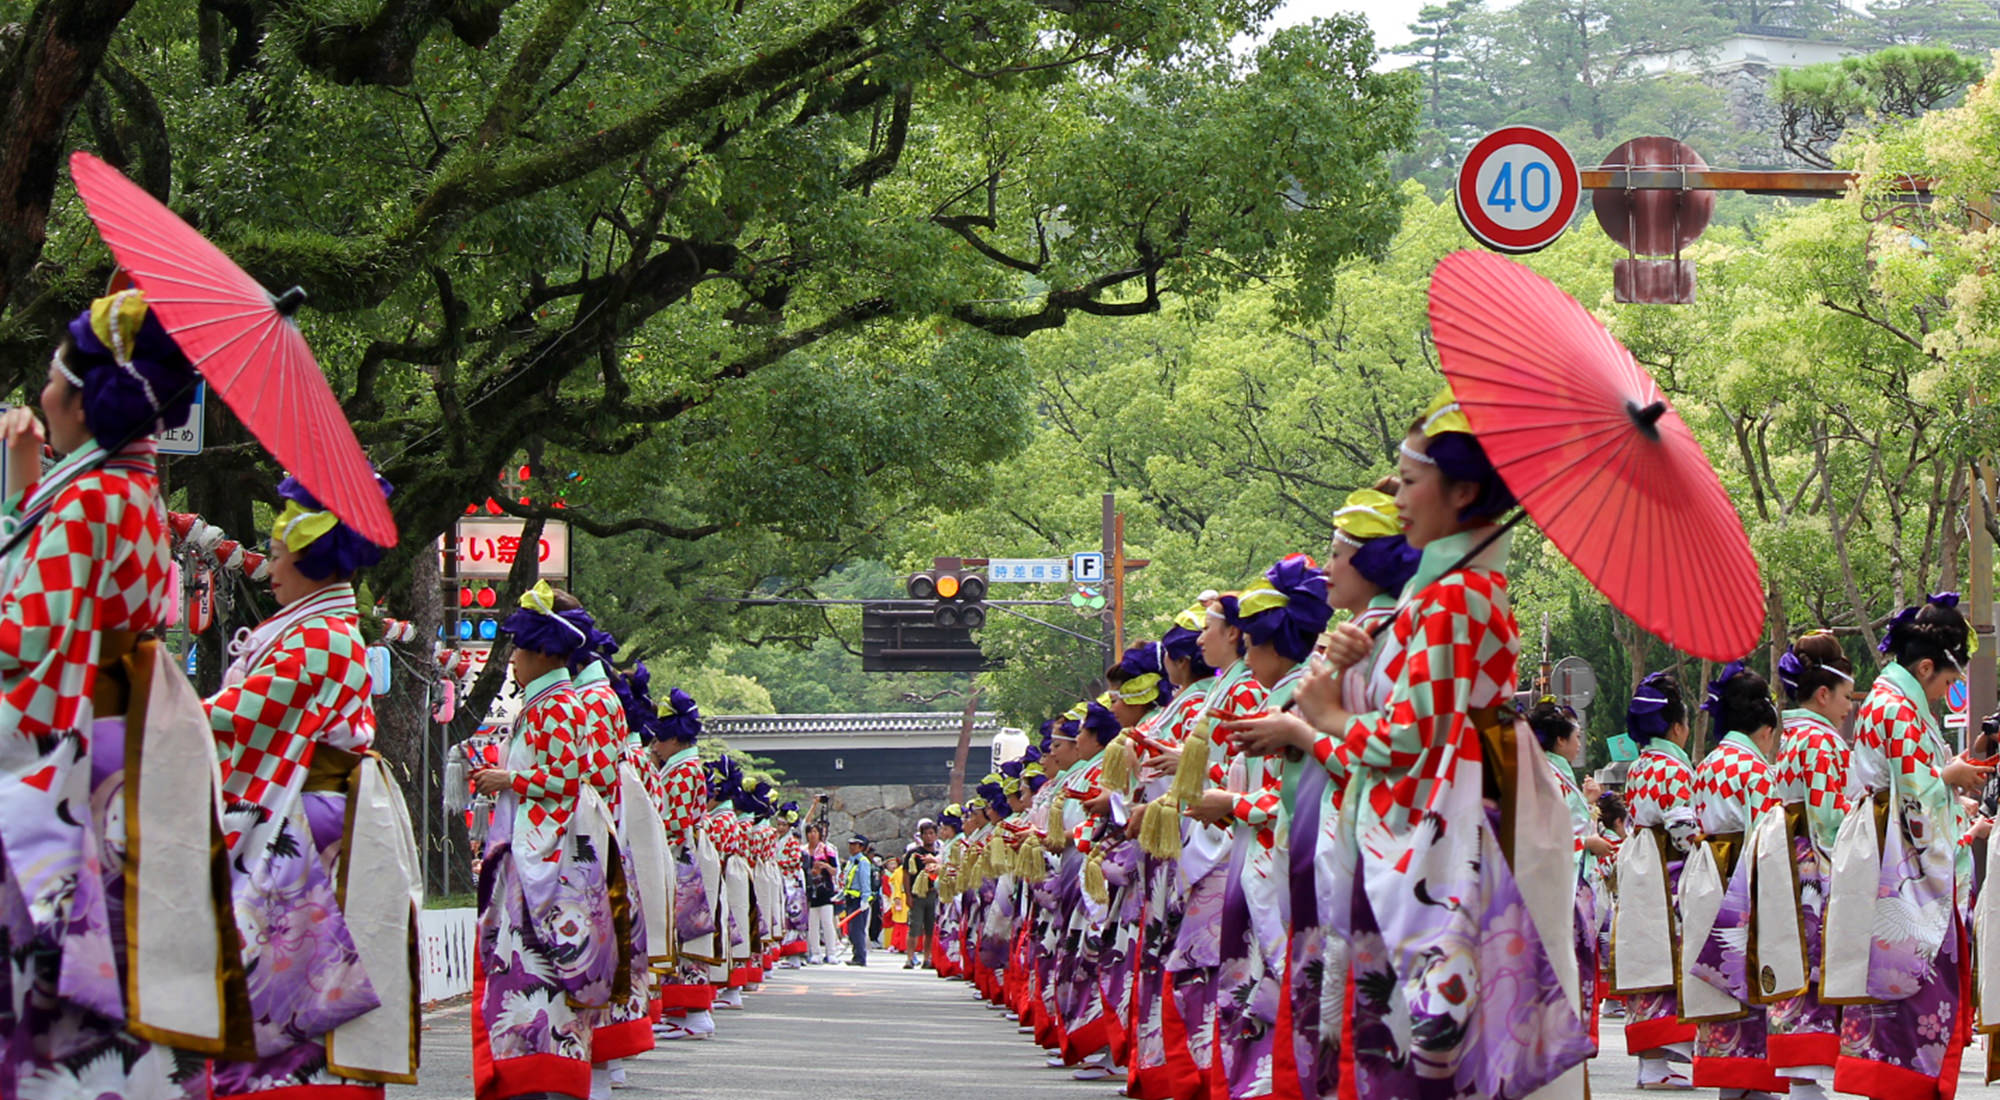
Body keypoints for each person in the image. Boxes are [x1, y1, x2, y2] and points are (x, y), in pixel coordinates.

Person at [1232, 390, 1590, 1099]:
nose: (1396, 494)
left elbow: (1407, 739)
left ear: (1461, 491)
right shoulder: (1450, 592)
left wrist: (1325, 717)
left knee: (1429, 1034)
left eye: (1410, 478)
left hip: (1448, 828)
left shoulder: (1454, 597)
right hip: (1452, 812)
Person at [0, 289, 219, 1099]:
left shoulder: (91, 499)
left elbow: (20, 639)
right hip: (116, 753)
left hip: (63, 751)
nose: (43, 395)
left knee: (49, 987)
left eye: (56, 379)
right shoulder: (129, 491)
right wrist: (28, 474)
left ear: (85, 403)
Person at [206, 471, 421, 1099]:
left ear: (307, 556)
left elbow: (240, 720)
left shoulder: (318, 636)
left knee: (282, 994)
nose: (267, 567)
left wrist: (148, 710)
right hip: (307, 817)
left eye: (275, 554)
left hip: (298, 831)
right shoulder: (317, 629)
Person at [1828, 594, 1992, 1099]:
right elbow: (1917, 800)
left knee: (1897, 993)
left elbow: (1914, 784)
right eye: (1947, 681)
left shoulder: (1889, 701)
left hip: (1883, 854)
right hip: (1902, 869)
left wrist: (1952, 771)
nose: (1949, 691)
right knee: (1914, 990)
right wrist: (1952, 780)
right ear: (1925, 667)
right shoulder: (1898, 709)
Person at [469, 583, 623, 1100]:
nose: (511, 660)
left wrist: (508, 780)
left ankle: (545, 1074)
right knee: (532, 971)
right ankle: (535, 1073)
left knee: (543, 968)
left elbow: (568, 776)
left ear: (540, 652)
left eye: (516, 649)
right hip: (542, 849)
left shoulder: (557, 705)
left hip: (549, 861)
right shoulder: (550, 701)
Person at [1683, 663, 1786, 1099]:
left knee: (1720, 991)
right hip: (1745, 882)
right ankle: (1754, 1086)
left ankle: (1730, 1086)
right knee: (1752, 985)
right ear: (1765, 729)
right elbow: (1770, 839)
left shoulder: (1705, 766)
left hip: (1707, 878)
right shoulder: (1757, 770)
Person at [1766, 631, 1855, 1099]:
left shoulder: (1793, 736)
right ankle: (1806, 1082)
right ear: (1823, 694)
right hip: (1816, 867)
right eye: (1844, 697)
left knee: (1799, 963)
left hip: (1791, 861)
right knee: (1816, 965)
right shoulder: (1821, 742)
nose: (1848, 707)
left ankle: (1803, 1080)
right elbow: (1829, 818)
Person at [1617, 671, 1701, 1090]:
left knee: (1645, 963)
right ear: (1678, 727)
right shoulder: (1674, 769)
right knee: (1673, 963)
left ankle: (1651, 1062)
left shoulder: (1638, 768)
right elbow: (1684, 832)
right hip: (1671, 875)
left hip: (1641, 871)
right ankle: (1662, 1061)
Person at [649, 688, 718, 1040]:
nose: (655, 746)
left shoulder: (680, 772)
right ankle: (685, 1012)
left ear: (675, 738)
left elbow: (673, 822)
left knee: (683, 934)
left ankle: (692, 1013)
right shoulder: (686, 767)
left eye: (659, 738)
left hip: (680, 857)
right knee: (683, 935)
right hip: (688, 853)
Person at [904, 819, 942, 968]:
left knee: (930, 928)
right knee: (914, 926)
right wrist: (907, 894)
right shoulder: (914, 854)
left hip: (933, 894)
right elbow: (906, 874)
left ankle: (928, 957)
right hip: (918, 894)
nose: (929, 837)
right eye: (925, 834)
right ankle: (910, 957)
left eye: (932, 833)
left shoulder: (939, 855)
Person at [805, 823, 842, 963]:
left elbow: (835, 870)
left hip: (825, 890)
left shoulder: (827, 850)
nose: (812, 834)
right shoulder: (803, 851)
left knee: (827, 922)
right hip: (810, 891)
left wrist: (825, 866)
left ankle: (831, 951)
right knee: (812, 923)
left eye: (815, 831)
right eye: (810, 832)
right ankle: (815, 952)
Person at [841, 835, 878, 965]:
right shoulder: (851, 861)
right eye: (850, 844)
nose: (851, 847)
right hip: (850, 899)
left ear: (861, 847)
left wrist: (865, 899)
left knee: (857, 929)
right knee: (851, 930)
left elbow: (865, 881)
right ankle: (855, 954)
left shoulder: (863, 862)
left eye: (855, 844)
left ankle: (860, 957)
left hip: (858, 900)